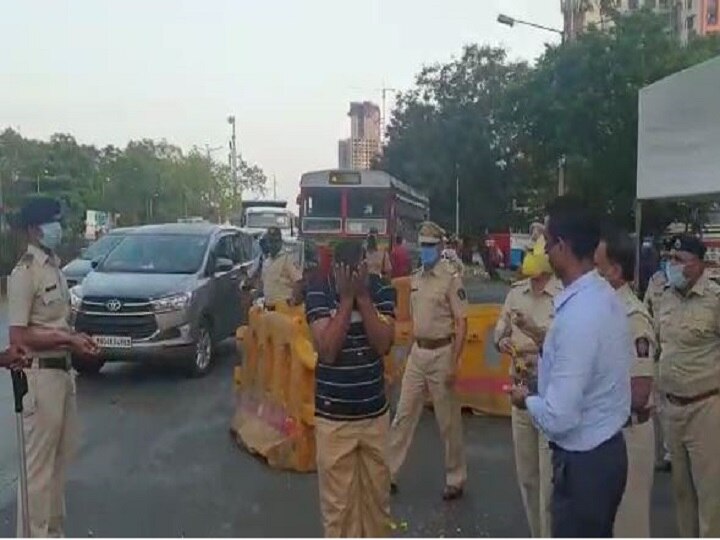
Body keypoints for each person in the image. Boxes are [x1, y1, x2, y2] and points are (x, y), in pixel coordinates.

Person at [508, 196, 631, 537]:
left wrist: (527, 399)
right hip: (605, 452)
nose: (544, 251)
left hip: (584, 464)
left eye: (547, 243)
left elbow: (559, 417)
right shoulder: (604, 297)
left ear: (562, 246)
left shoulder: (578, 316)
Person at [8, 197, 100, 537]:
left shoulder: (54, 268)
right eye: (53, 222)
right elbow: (18, 336)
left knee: (59, 466)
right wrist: (67, 340)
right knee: (38, 473)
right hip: (40, 378)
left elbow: (56, 325)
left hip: (62, 375)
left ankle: (53, 533)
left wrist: (75, 338)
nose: (58, 228)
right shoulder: (25, 273)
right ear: (35, 229)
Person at [304, 240, 396, 537]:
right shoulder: (318, 290)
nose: (362, 274)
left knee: (377, 507)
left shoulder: (380, 288)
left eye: (364, 269)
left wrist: (363, 298)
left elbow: (383, 343)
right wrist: (346, 301)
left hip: (374, 416)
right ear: (340, 270)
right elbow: (327, 349)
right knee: (338, 513)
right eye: (356, 271)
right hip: (334, 420)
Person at [388, 221, 468, 501]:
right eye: (422, 246)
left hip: (442, 352)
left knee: (447, 421)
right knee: (403, 415)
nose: (426, 251)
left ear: (441, 247)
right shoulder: (416, 280)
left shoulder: (451, 279)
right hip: (418, 353)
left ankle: (455, 478)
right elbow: (415, 322)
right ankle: (389, 473)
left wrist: (454, 363)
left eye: (430, 246)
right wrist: (406, 355)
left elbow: (461, 322)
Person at [494, 238, 560, 538]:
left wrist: (536, 332)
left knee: (549, 481)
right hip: (519, 387)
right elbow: (500, 331)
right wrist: (502, 341)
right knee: (528, 477)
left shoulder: (562, 295)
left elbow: (564, 342)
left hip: (547, 390)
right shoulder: (515, 294)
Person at [656, 235, 720, 538]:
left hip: (706, 407)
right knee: (682, 493)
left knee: (711, 496)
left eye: (680, 260)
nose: (673, 265)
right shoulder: (662, 295)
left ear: (700, 264)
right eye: (671, 259)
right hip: (671, 408)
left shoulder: (715, 298)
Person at [594, 229, 656, 538]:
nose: (591, 271)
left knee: (628, 528)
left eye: (597, 265)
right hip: (607, 434)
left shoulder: (632, 317)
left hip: (629, 435)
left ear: (615, 271)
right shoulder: (602, 310)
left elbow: (640, 392)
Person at [644, 238, 672, 472]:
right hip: (658, 350)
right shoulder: (655, 281)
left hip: (679, 351)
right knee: (659, 405)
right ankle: (668, 452)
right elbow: (646, 311)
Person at [261, 226, 303, 307]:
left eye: (276, 241)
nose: (273, 244)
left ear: (281, 242)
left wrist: (294, 300)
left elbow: (298, 282)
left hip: (283, 307)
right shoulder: (266, 262)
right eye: (270, 241)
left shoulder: (287, 258)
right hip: (268, 308)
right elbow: (264, 283)